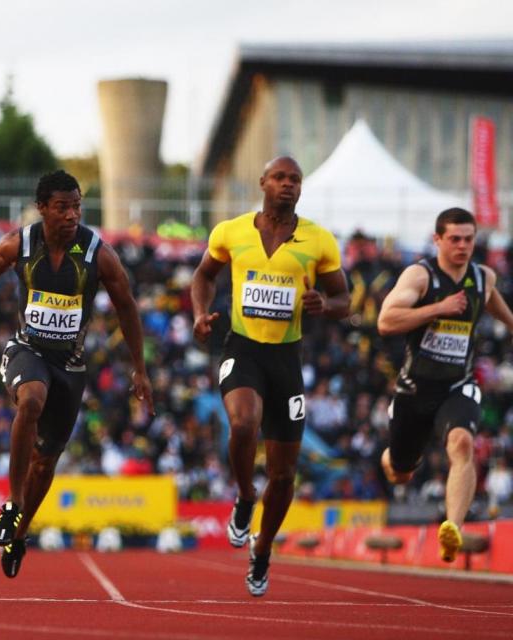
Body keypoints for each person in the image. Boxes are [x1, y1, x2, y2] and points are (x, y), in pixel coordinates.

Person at [0, 170, 154, 578]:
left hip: (71, 366)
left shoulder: (98, 253)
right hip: (27, 350)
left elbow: (127, 307)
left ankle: (20, 534)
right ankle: (12, 504)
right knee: (30, 401)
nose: (71, 215)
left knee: (45, 464)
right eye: (62, 207)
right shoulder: (22, 243)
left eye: (77, 206)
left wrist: (140, 367)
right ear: (42, 208)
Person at [191, 156, 350, 596]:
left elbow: (345, 299)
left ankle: (262, 549)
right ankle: (244, 496)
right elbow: (203, 276)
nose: (287, 185)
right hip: (243, 348)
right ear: (262, 182)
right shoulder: (231, 232)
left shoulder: (318, 241)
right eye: (280, 178)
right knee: (243, 421)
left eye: (295, 179)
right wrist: (201, 313)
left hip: (286, 359)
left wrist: (326, 305)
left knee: (283, 475)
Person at [377, 208, 513, 562]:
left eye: (469, 239)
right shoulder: (421, 276)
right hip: (415, 390)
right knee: (400, 472)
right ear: (437, 239)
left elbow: (502, 313)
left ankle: (452, 527)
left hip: (457, 385)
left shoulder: (483, 279)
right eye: (455, 239)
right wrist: (437, 309)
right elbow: (386, 321)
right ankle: (392, 456)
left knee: (462, 443)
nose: (463, 246)